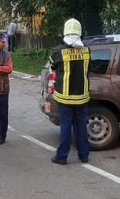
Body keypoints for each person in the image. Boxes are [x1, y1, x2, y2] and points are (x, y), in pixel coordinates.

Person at [49, 18, 91, 165]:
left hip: (65, 98)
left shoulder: (58, 51)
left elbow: (52, 67)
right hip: (82, 96)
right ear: (80, 33)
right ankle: (84, 155)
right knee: (81, 126)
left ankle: (62, 157)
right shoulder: (86, 50)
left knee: (66, 126)